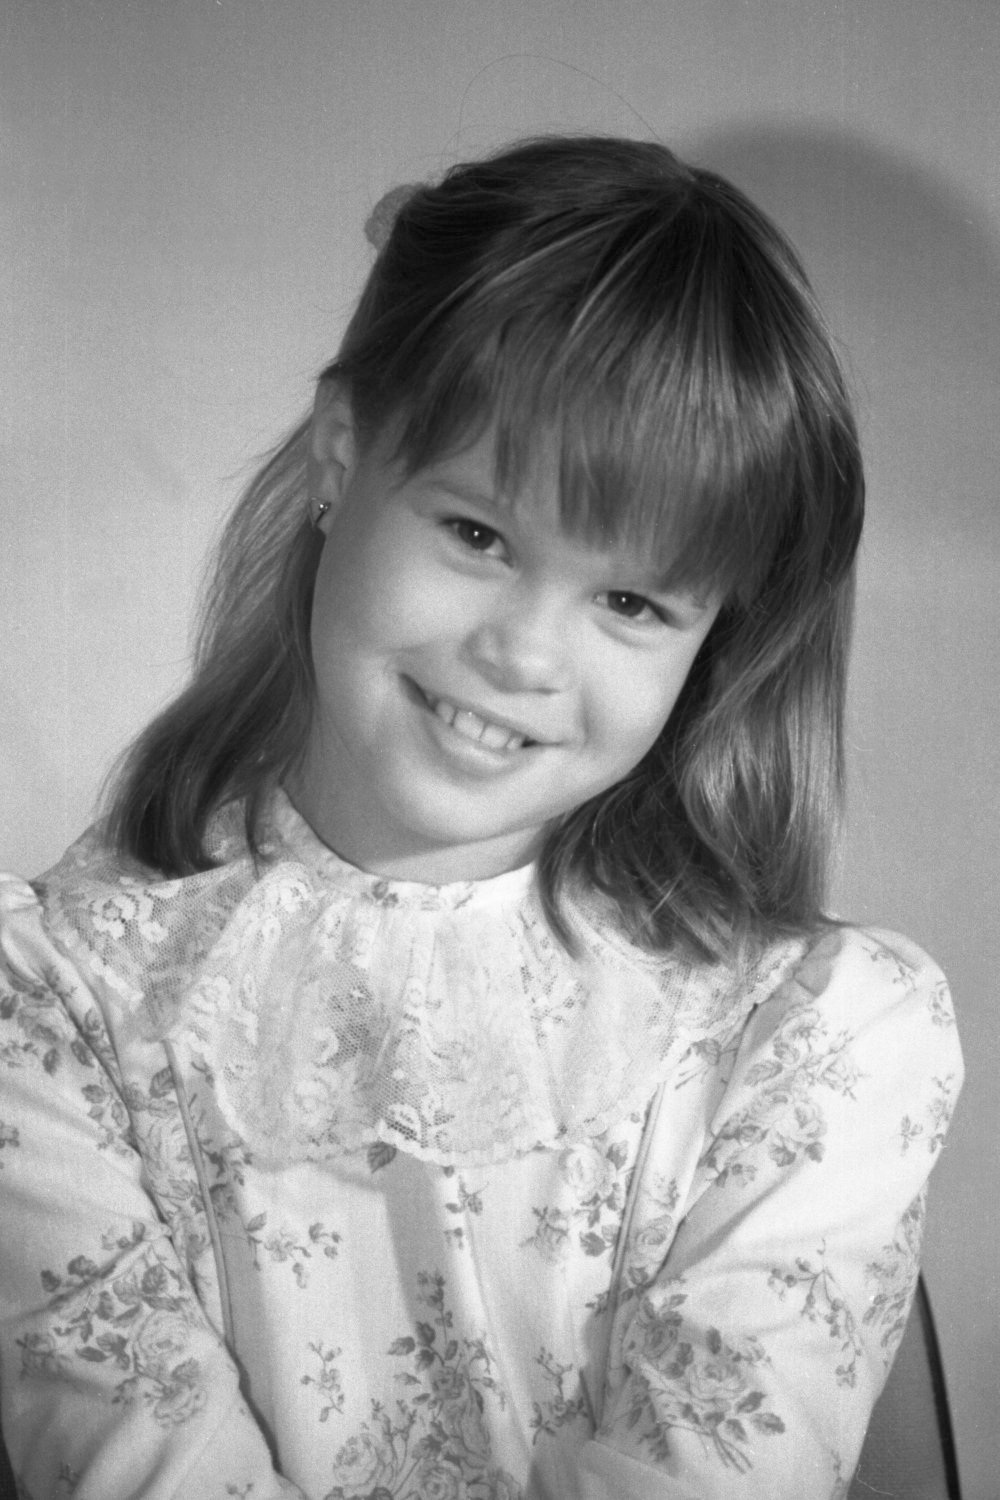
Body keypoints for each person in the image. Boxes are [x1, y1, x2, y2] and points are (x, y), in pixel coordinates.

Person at [0, 135, 962, 1500]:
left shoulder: (821, 1039)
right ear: (342, 452)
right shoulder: (47, 1007)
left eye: (629, 601)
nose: (522, 653)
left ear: (714, 641)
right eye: (478, 535)